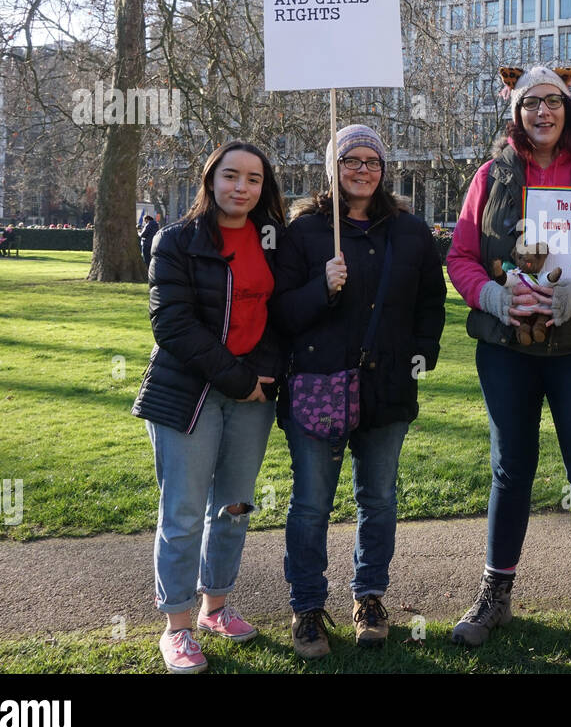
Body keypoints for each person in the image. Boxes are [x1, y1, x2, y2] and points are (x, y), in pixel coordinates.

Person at [446, 65, 571, 657]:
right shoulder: (491, 175)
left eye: (553, 102)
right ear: (516, 113)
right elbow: (462, 256)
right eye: (531, 105)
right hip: (507, 349)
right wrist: (494, 298)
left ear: (570, 109)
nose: (543, 113)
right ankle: (495, 597)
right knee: (510, 468)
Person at [272, 125, 445, 658]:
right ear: (333, 167)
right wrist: (321, 288)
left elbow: (430, 305)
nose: (363, 170)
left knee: (379, 499)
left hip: (387, 387)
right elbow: (280, 313)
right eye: (351, 160)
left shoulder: (411, 232)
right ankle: (307, 607)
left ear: (384, 169)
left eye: (372, 160)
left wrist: (421, 355)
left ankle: (369, 597)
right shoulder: (303, 232)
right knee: (311, 505)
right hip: (318, 387)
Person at [131, 140, 286, 674]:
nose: (241, 187)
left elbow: (281, 313)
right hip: (190, 393)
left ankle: (215, 606)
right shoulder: (176, 241)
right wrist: (238, 378)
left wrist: (259, 375)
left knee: (234, 507)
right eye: (231, 175)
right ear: (210, 178)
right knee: (182, 512)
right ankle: (176, 627)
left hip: (253, 398)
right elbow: (172, 325)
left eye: (253, 179)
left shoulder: (274, 242)